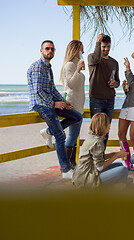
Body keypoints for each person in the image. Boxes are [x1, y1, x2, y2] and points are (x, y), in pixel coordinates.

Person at [27, 40, 82, 179]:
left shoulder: (48, 67)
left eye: (52, 49)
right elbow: (38, 91)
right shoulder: (37, 67)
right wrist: (54, 104)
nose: (49, 51)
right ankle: (65, 170)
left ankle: (48, 131)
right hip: (41, 105)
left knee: (77, 117)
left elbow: (52, 89)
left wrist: (64, 102)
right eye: (47, 49)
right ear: (41, 51)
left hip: (51, 103)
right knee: (60, 135)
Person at [72, 113, 130, 188]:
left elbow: (96, 158)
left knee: (119, 165)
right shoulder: (97, 142)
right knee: (123, 170)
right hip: (87, 178)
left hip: (83, 174)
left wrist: (113, 154)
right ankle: (116, 186)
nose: (110, 126)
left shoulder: (91, 136)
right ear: (103, 126)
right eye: (108, 124)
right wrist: (116, 156)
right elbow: (99, 167)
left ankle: (120, 184)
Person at [88, 33, 120, 146]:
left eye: (108, 47)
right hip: (96, 98)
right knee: (96, 130)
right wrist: (97, 41)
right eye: (103, 47)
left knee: (106, 130)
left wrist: (116, 84)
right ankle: (93, 158)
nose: (106, 49)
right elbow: (96, 58)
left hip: (110, 99)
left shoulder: (114, 62)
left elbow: (118, 81)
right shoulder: (92, 58)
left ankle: (101, 157)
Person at [60, 40, 86, 169]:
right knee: (72, 136)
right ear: (75, 50)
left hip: (79, 105)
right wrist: (78, 70)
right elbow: (71, 84)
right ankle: (69, 164)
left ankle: (72, 163)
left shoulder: (74, 64)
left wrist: (78, 69)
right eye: (81, 49)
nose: (83, 52)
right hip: (73, 104)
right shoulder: (70, 65)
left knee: (74, 135)